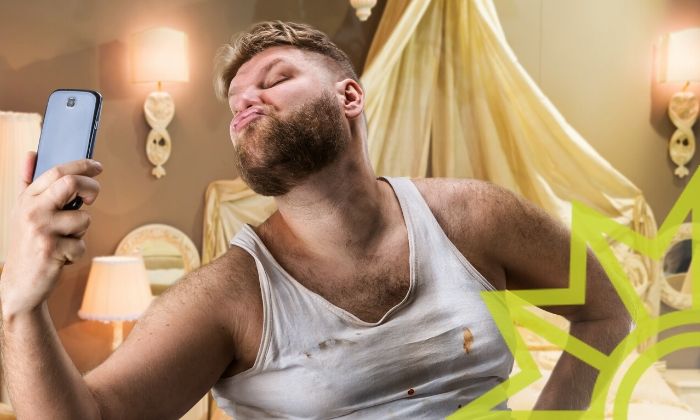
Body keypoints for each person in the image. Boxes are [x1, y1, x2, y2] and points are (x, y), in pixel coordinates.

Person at [0, 21, 630, 419]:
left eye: (274, 80)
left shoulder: (473, 216)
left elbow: (606, 311)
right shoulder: (228, 297)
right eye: (235, 103)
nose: (246, 103)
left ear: (348, 96)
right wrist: (21, 305)